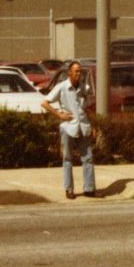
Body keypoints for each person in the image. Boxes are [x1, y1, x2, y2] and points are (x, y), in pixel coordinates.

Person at [41, 61, 96, 200]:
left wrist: (91, 124)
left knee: (88, 158)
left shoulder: (83, 87)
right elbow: (45, 103)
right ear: (69, 73)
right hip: (68, 127)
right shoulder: (62, 87)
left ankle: (89, 189)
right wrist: (59, 115)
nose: (79, 74)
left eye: (80, 72)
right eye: (76, 72)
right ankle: (69, 189)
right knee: (67, 159)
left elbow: (85, 108)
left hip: (83, 126)